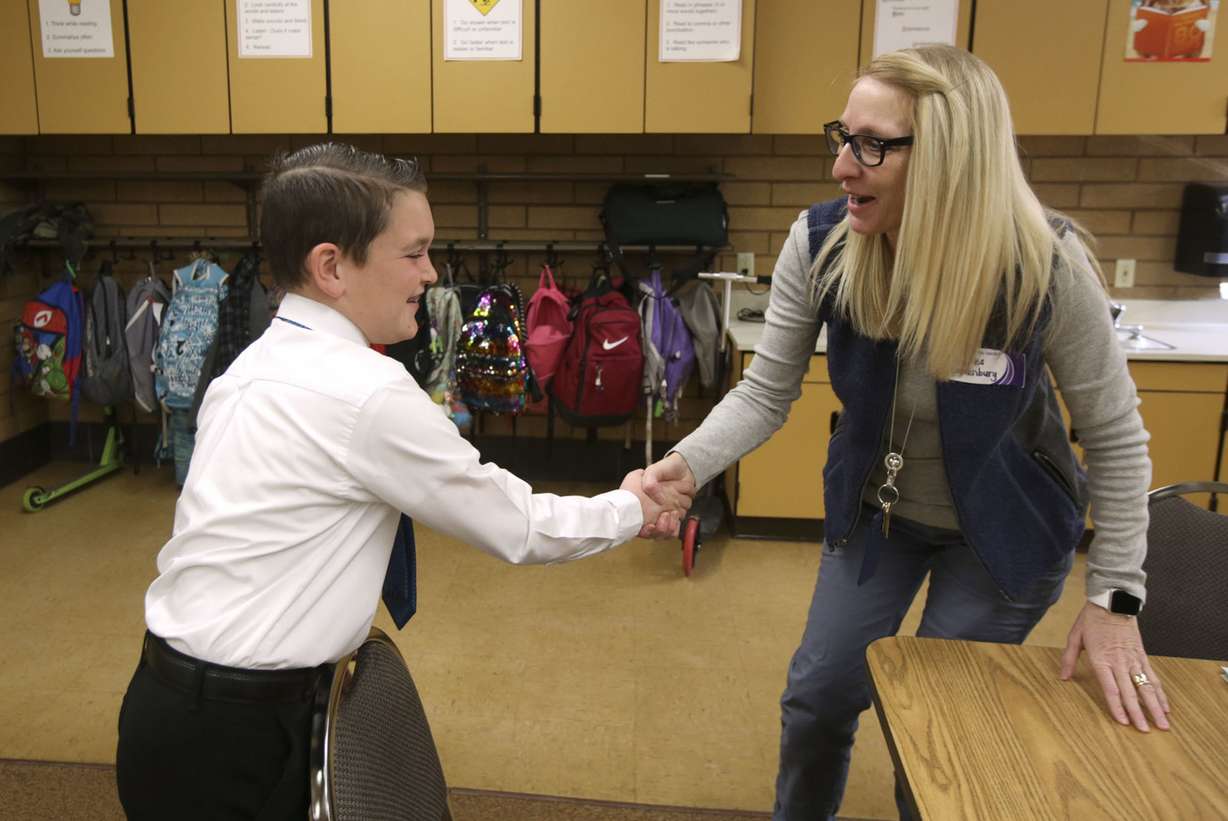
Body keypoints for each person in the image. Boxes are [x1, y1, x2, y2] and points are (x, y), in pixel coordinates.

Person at [641, 45, 1170, 820]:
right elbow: (764, 391)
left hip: (1004, 536)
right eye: (843, 136)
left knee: (932, 727)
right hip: (878, 515)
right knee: (819, 696)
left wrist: (1117, 597)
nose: (842, 167)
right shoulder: (822, 240)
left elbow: (1118, 441)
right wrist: (686, 464)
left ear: (954, 158)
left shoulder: (1043, 265)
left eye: (874, 145)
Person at [115, 143, 684, 820]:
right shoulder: (366, 391)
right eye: (413, 252)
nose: (431, 272)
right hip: (243, 739)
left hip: (159, 705)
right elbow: (517, 524)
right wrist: (629, 506)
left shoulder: (249, 367)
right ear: (332, 266)